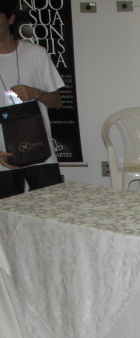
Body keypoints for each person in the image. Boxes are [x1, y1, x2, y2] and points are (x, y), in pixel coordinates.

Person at [0, 0, 64, 199]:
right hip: (2, 156)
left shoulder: (36, 53)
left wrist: (37, 93)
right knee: (6, 215)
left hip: (41, 153)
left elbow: (57, 102)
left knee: (52, 209)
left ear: (10, 19)